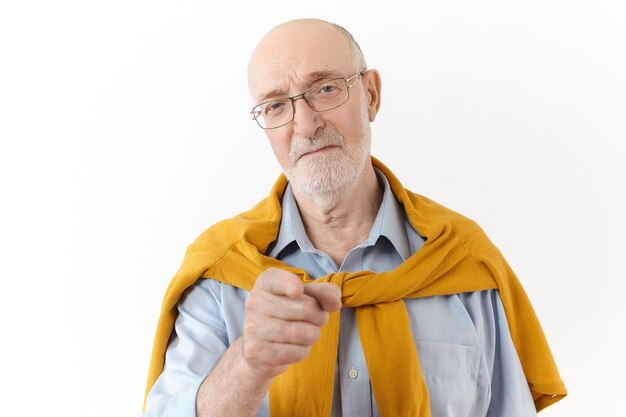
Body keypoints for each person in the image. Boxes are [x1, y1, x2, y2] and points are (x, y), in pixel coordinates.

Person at [142, 18, 566, 417]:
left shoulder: (461, 259)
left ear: (371, 95)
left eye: (325, 88)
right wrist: (249, 360)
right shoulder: (222, 270)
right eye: (275, 106)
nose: (305, 124)